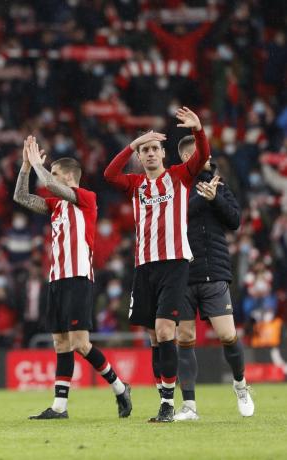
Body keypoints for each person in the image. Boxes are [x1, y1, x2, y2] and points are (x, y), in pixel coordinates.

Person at [104, 107, 210, 422]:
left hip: (174, 264)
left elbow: (202, 154)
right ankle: (163, 395)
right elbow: (109, 175)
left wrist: (198, 130)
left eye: (154, 149)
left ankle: (167, 403)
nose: (149, 154)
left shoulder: (179, 176)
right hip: (144, 266)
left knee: (166, 332)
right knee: (153, 336)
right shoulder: (136, 183)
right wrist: (134, 143)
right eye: (145, 150)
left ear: (163, 154)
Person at [14, 136, 132, 420]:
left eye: (55, 173)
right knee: (61, 343)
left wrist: (38, 167)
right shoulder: (55, 205)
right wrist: (25, 167)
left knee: (80, 343)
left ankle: (119, 387)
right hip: (56, 279)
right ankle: (59, 407)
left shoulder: (87, 199)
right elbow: (21, 197)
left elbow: (52, 186)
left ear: (68, 176)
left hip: (78, 276)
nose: (50, 179)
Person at [174, 135, 254, 420]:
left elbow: (234, 220)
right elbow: (174, 219)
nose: (208, 158)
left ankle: (241, 385)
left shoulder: (218, 184)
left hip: (214, 270)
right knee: (184, 337)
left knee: (227, 335)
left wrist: (215, 197)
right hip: (182, 273)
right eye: (202, 154)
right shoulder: (174, 186)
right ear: (187, 157)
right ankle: (189, 406)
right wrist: (200, 199)